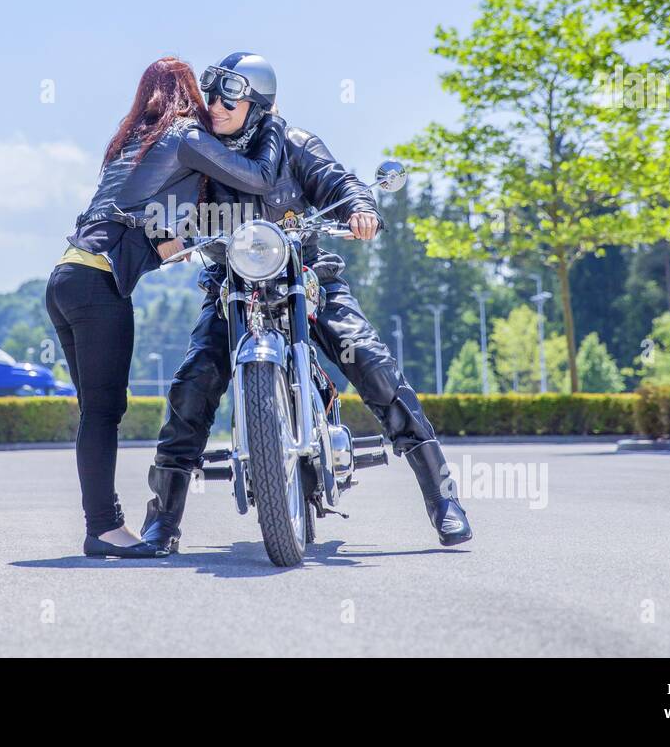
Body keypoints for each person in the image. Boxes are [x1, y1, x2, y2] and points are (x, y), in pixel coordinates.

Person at [141, 51, 472, 553]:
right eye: (212, 94)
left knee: (371, 362)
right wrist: (165, 229)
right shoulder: (201, 153)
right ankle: (163, 521)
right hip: (233, 286)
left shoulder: (295, 144)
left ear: (257, 101)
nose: (215, 104)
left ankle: (442, 496)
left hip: (306, 277)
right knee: (193, 385)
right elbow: (173, 206)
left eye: (228, 95)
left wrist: (360, 206)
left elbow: (338, 183)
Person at [46, 56, 285, 558]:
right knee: (105, 413)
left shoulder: (132, 145)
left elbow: (154, 233)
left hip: (65, 279)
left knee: (95, 411)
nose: (211, 103)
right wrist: (271, 119)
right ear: (187, 96)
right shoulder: (183, 136)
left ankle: (102, 526)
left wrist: (185, 238)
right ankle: (104, 529)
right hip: (98, 287)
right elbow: (259, 179)